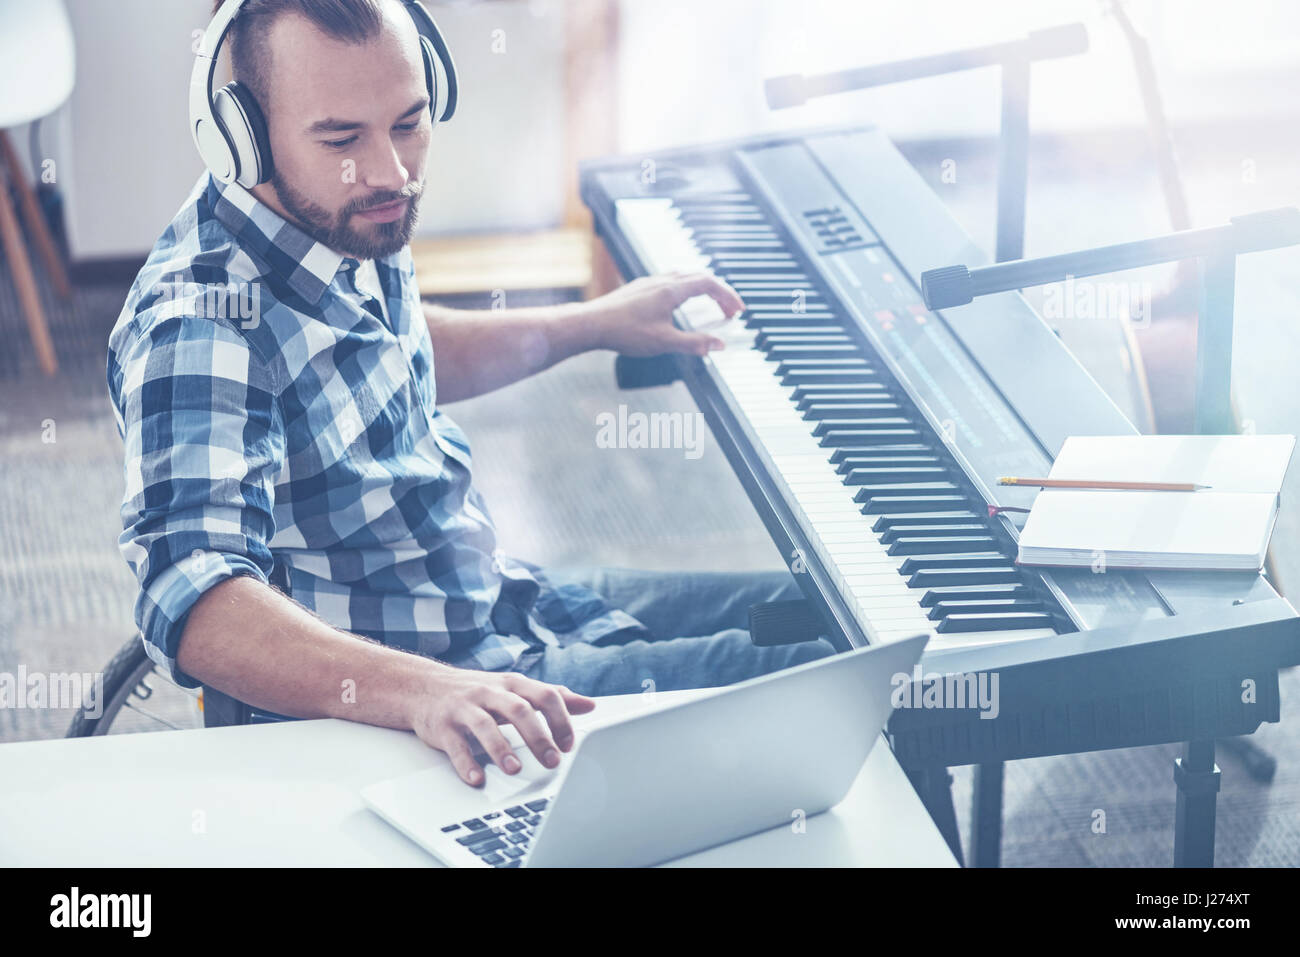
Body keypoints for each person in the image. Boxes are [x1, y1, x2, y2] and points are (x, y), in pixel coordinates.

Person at [107, 0, 834, 788]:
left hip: (499, 598)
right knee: (852, 685)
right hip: (442, 691)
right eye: (342, 137)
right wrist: (429, 690)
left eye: (409, 123)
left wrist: (594, 323)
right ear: (240, 134)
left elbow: (393, 352)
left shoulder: (343, 217)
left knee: (840, 616)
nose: (390, 172)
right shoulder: (202, 325)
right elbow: (198, 601)